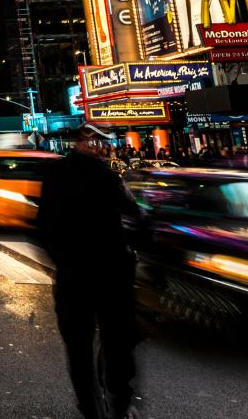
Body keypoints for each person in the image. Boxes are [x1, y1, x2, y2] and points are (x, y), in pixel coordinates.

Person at [38, 127, 143, 419]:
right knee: (116, 342)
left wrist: (60, 258)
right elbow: (135, 215)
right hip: (110, 272)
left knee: (78, 349)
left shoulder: (54, 174)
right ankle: (119, 404)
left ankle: (91, 409)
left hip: (73, 273)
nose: (103, 148)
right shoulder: (108, 177)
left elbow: (42, 224)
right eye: (98, 143)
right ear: (87, 143)